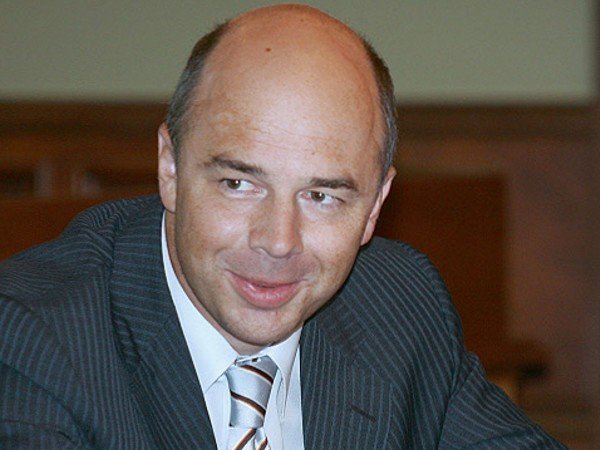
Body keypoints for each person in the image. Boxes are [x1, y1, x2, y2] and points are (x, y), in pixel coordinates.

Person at [0, 4, 563, 449]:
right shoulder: (34, 341)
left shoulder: (397, 305)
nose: (277, 241)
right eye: (239, 184)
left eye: (322, 196)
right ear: (170, 169)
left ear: (375, 206)